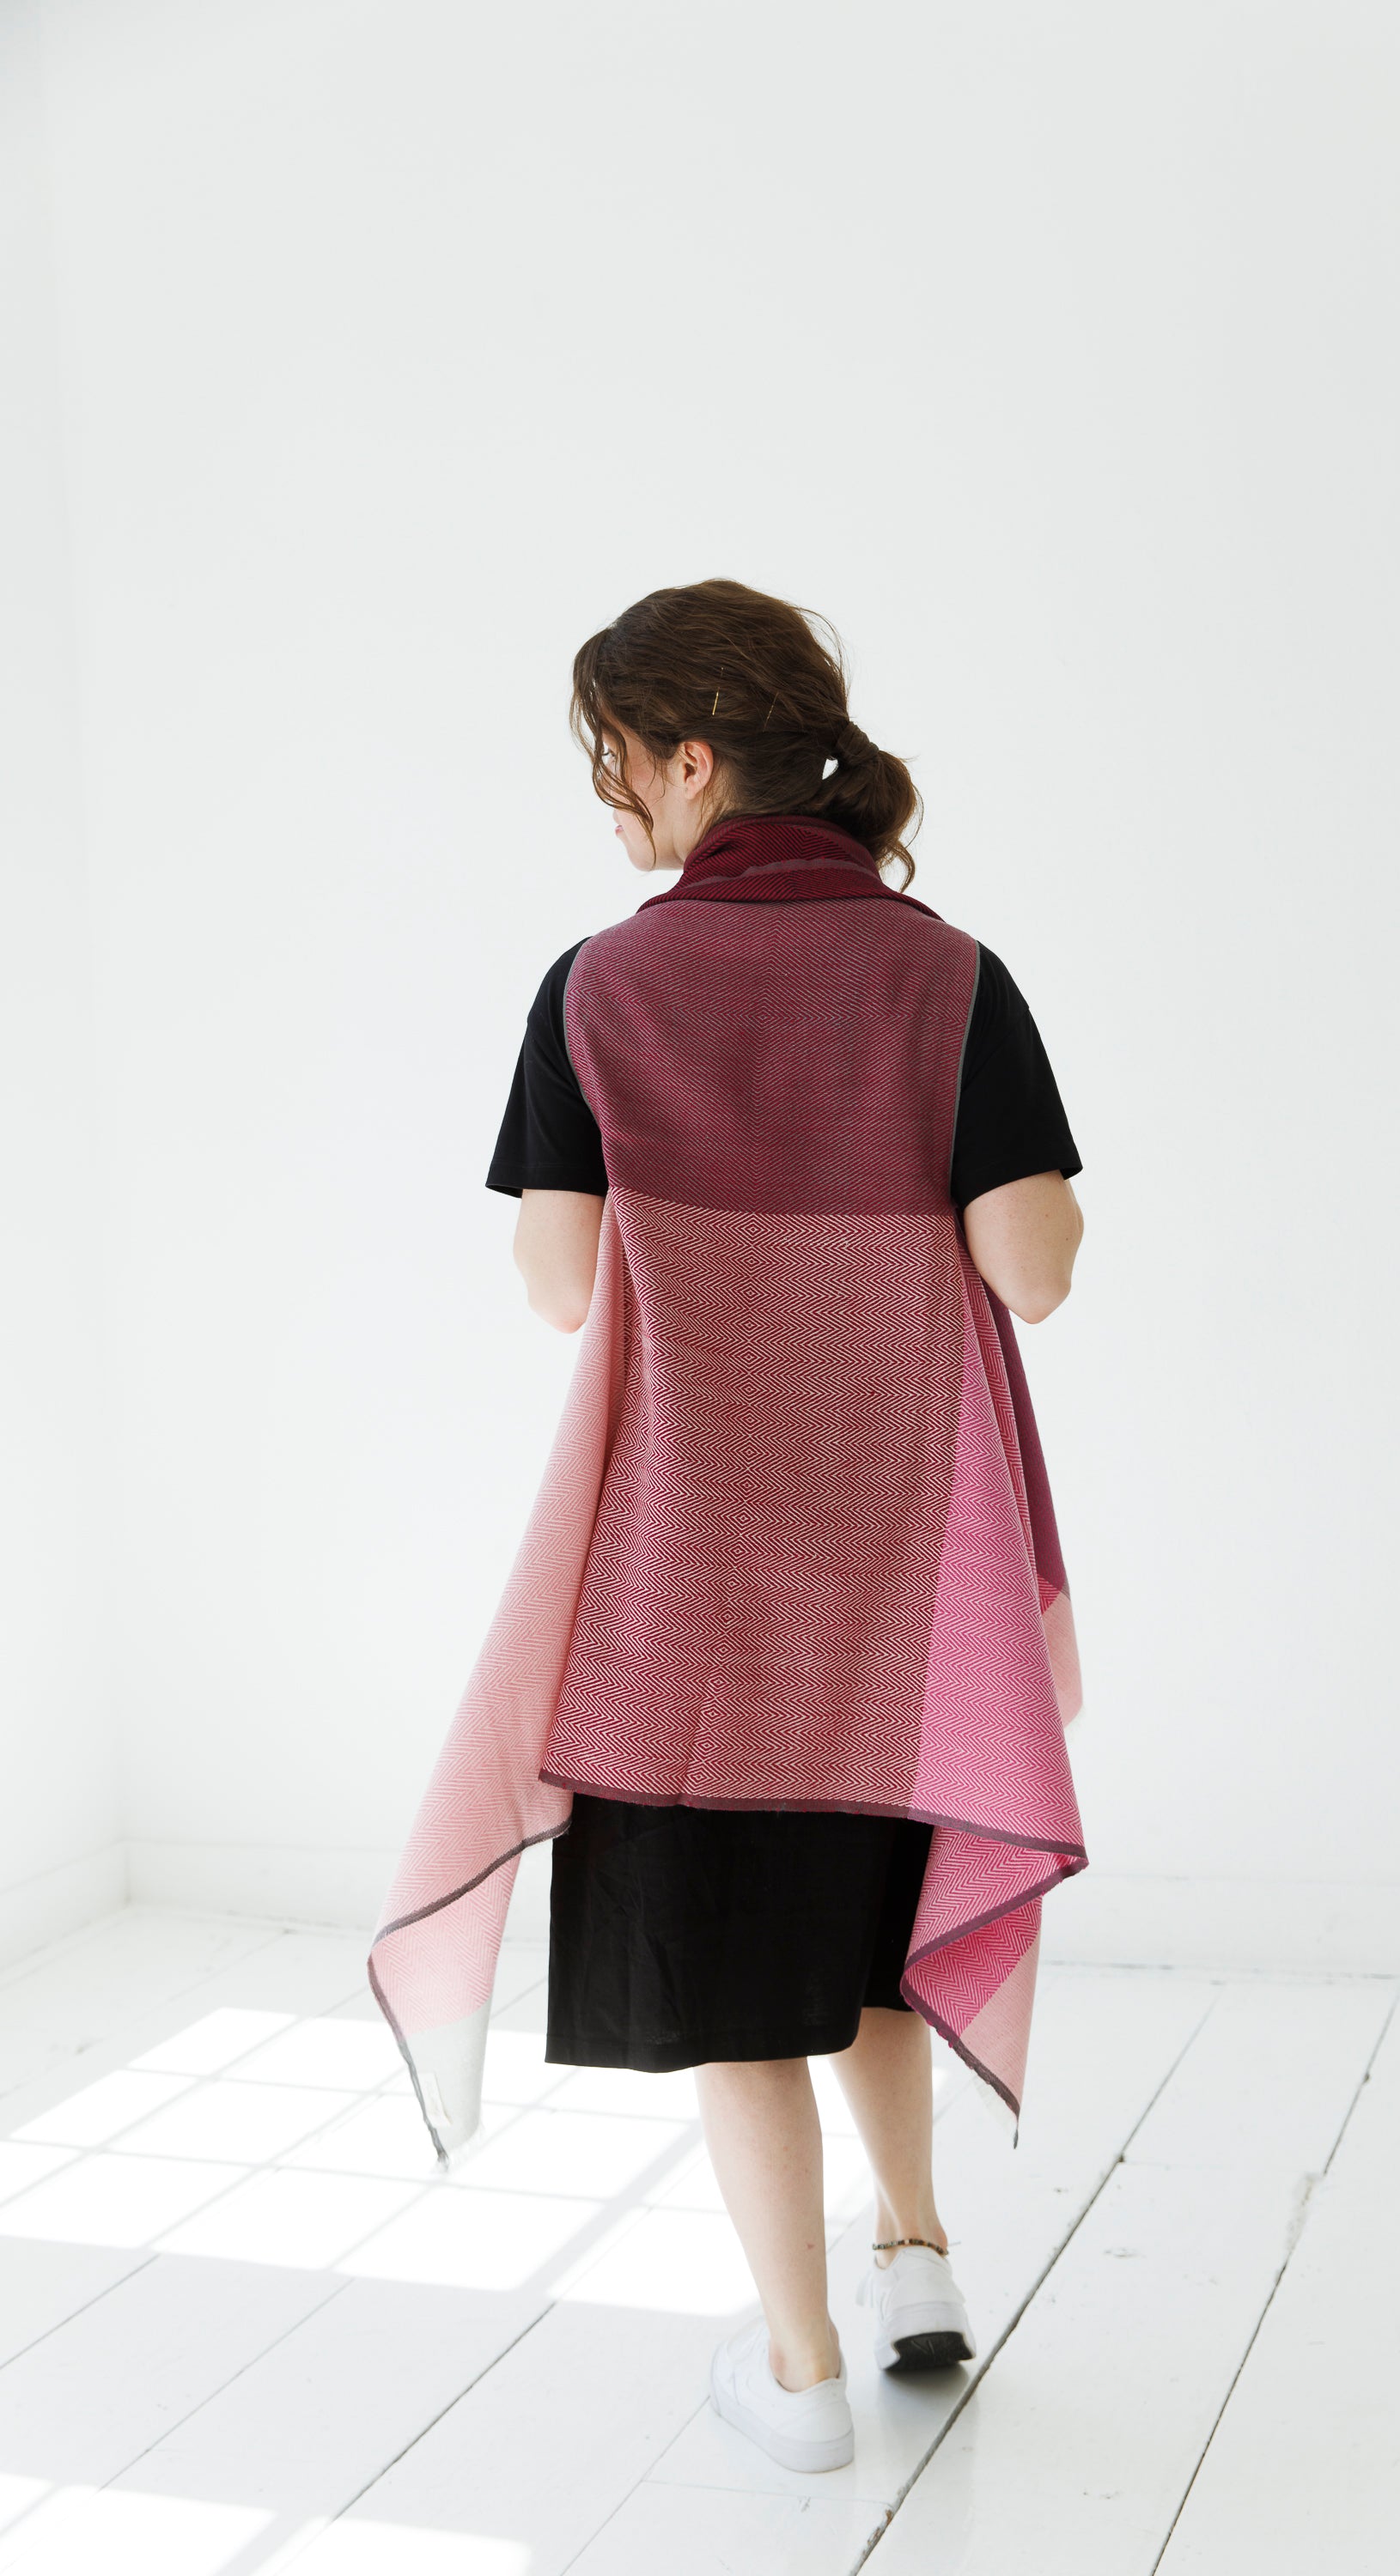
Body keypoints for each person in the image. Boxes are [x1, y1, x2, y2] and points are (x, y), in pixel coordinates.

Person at [377, 577, 1087, 2479]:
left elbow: (560, 1290)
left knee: (737, 2000)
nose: (609, 800)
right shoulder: (948, 976)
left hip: (683, 1588)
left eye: (615, 761)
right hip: (895, 1581)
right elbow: (1033, 1270)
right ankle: (916, 2261)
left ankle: (800, 2372)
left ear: (691, 759)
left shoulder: (597, 990)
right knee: (865, 1947)